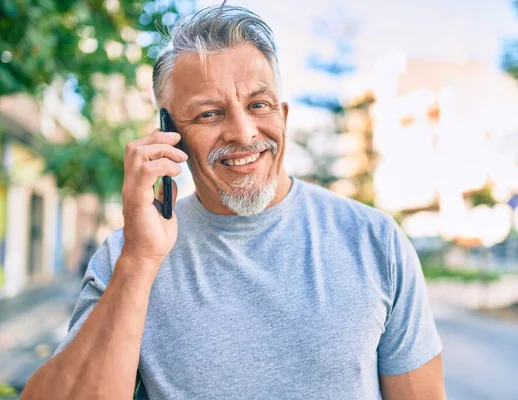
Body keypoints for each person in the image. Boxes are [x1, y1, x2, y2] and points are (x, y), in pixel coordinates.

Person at [22, 4, 445, 399]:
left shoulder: (376, 241)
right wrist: (140, 261)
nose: (243, 134)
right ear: (170, 135)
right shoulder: (127, 256)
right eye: (209, 113)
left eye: (258, 105)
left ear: (283, 115)